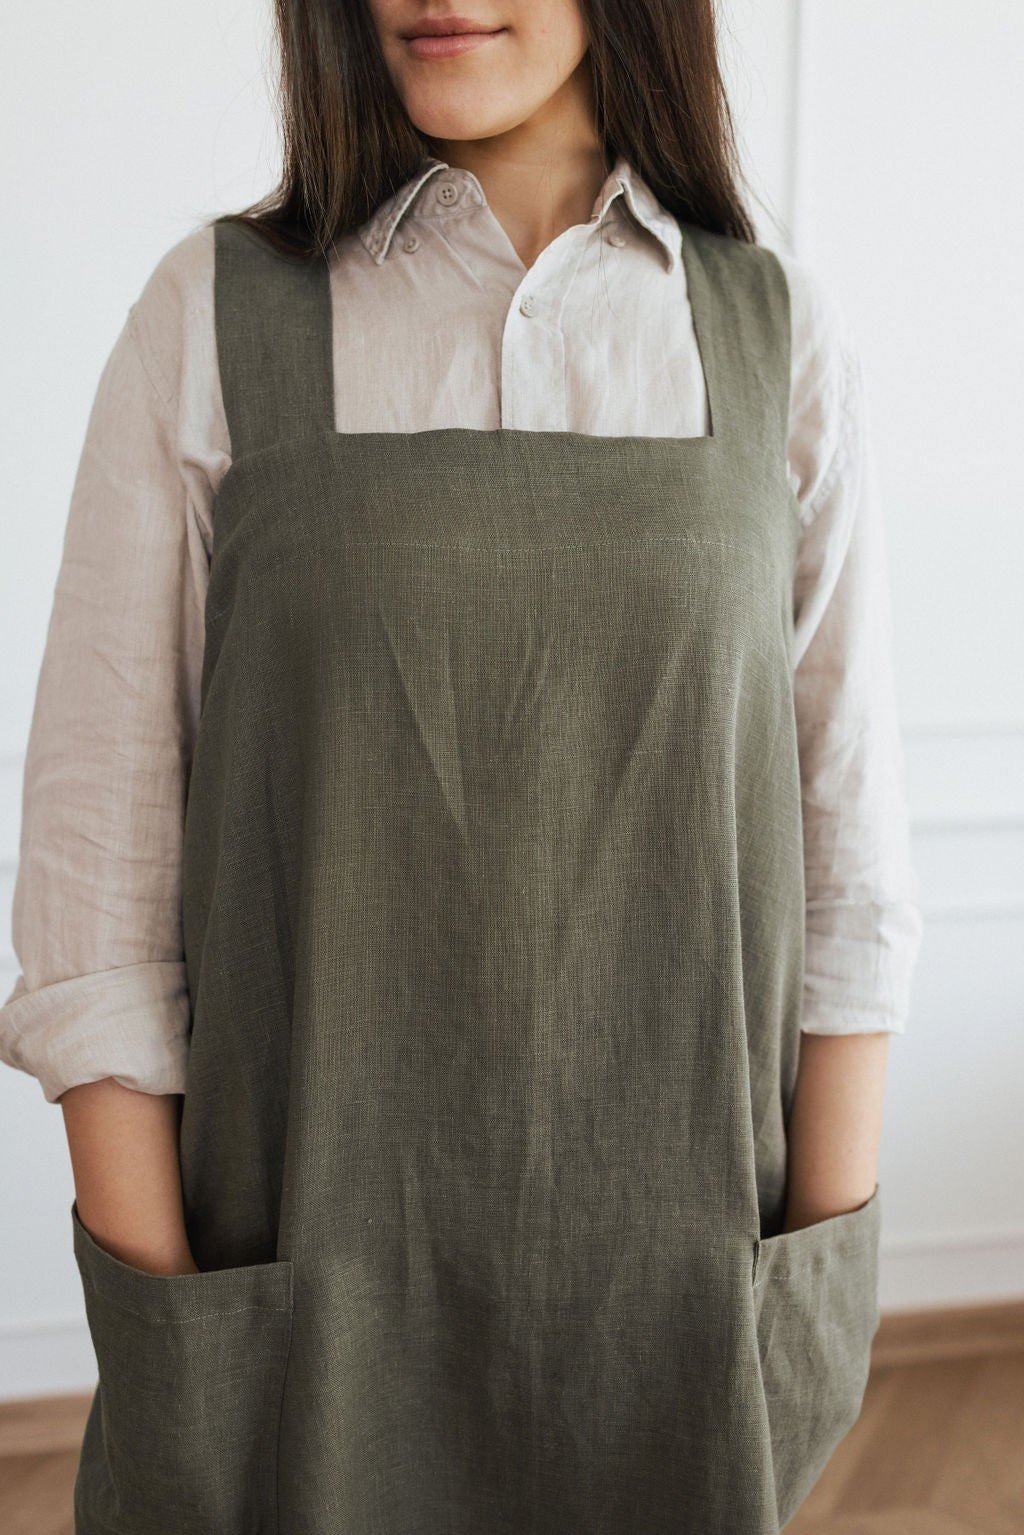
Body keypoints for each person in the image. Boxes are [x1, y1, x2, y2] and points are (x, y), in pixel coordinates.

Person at [0, 2, 924, 1531]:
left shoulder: (773, 335)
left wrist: (806, 1289)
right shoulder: (213, 316)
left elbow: (851, 868)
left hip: (682, 1321)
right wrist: (178, 1339)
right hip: (296, 1309)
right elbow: (95, 874)